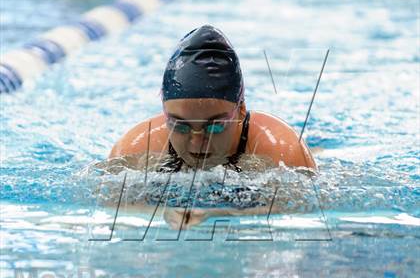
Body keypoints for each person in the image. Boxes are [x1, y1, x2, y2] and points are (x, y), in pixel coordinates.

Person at [109, 25, 316, 172]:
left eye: (214, 126)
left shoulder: (281, 152)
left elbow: (303, 208)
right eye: (180, 125)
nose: (197, 143)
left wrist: (214, 212)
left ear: (241, 110)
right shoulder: (135, 150)